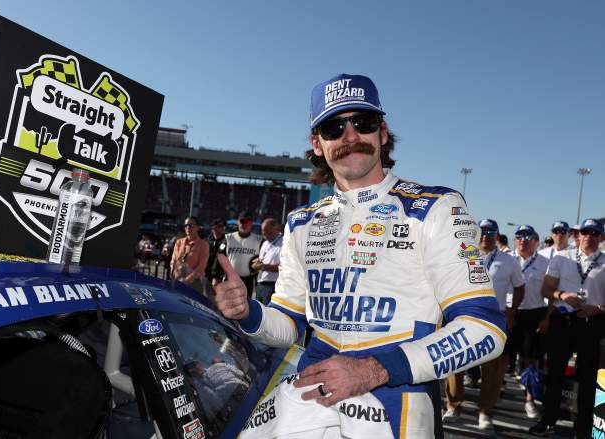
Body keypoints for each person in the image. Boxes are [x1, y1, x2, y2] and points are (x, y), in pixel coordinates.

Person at [213, 73, 505, 438]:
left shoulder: (436, 208)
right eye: (334, 128)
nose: (350, 136)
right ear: (317, 144)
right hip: (310, 397)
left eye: (362, 123)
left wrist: (373, 370)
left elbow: (485, 331)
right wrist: (249, 313)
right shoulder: (301, 223)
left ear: (382, 133)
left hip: (398, 402)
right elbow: (290, 324)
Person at [444, 219, 524, 432]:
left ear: (497, 236)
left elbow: (520, 287)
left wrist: (511, 310)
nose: (486, 235)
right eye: (482, 231)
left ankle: (485, 412)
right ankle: (453, 406)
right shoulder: (461, 255)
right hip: (463, 315)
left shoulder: (509, 261)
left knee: (493, 369)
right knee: (456, 364)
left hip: (493, 319)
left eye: (491, 232)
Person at [530, 218, 605, 437]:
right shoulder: (562, 258)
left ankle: (582, 427)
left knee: (588, 377)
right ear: (577, 235)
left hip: (592, 322)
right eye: (585, 232)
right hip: (563, 320)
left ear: (601, 237)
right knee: (554, 374)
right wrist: (562, 295)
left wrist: (598, 308)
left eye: (594, 232)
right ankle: (548, 419)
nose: (588, 236)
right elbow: (546, 289)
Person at [507, 225, 549, 419]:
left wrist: (546, 317)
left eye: (528, 236)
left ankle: (529, 399)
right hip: (509, 313)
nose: (523, 240)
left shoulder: (545, 262)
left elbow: (549, 292)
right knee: (501, 358)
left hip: (533, 314)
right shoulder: (506, 259)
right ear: (515, 240)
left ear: (536, 241)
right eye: (519, 236)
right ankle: (493, 394)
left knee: (529, 359)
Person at [219, 211, 262, 298]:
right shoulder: (229, 238)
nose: (244, 224)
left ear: (251, 224)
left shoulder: (259, 240)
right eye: (242, 221)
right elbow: (219, 257)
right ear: (238, 222)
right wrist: (216, 276)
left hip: (247, 280)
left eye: (247, 222)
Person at [170, 216, 209, 294]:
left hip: (194, 283)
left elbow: (201, 267)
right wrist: (173, 273)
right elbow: (173, 260)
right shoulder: (179, 242)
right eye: (186, 225)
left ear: (197, 227)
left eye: (191, 225)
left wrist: (186, 281)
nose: (188, 227)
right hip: (177, 281)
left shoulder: (204, 245)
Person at [252, 217, 282, 305]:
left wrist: (263, 267)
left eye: (268, 232)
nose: (265, 235)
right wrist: (255, 264)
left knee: (269, 314)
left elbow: (284, 266)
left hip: (273, 285)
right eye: (263, 233)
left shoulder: (285, 243)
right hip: (260, 284)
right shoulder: (265, 243)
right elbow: (261, 260)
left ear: (277, 229)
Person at [204, 219, 227, 301]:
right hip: (206, 274)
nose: (217, 230)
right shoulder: (207, 240)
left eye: (220, 227)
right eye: (215, 228)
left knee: (217, 298)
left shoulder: (226, 241)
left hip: (219, 275)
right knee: (206, 296)